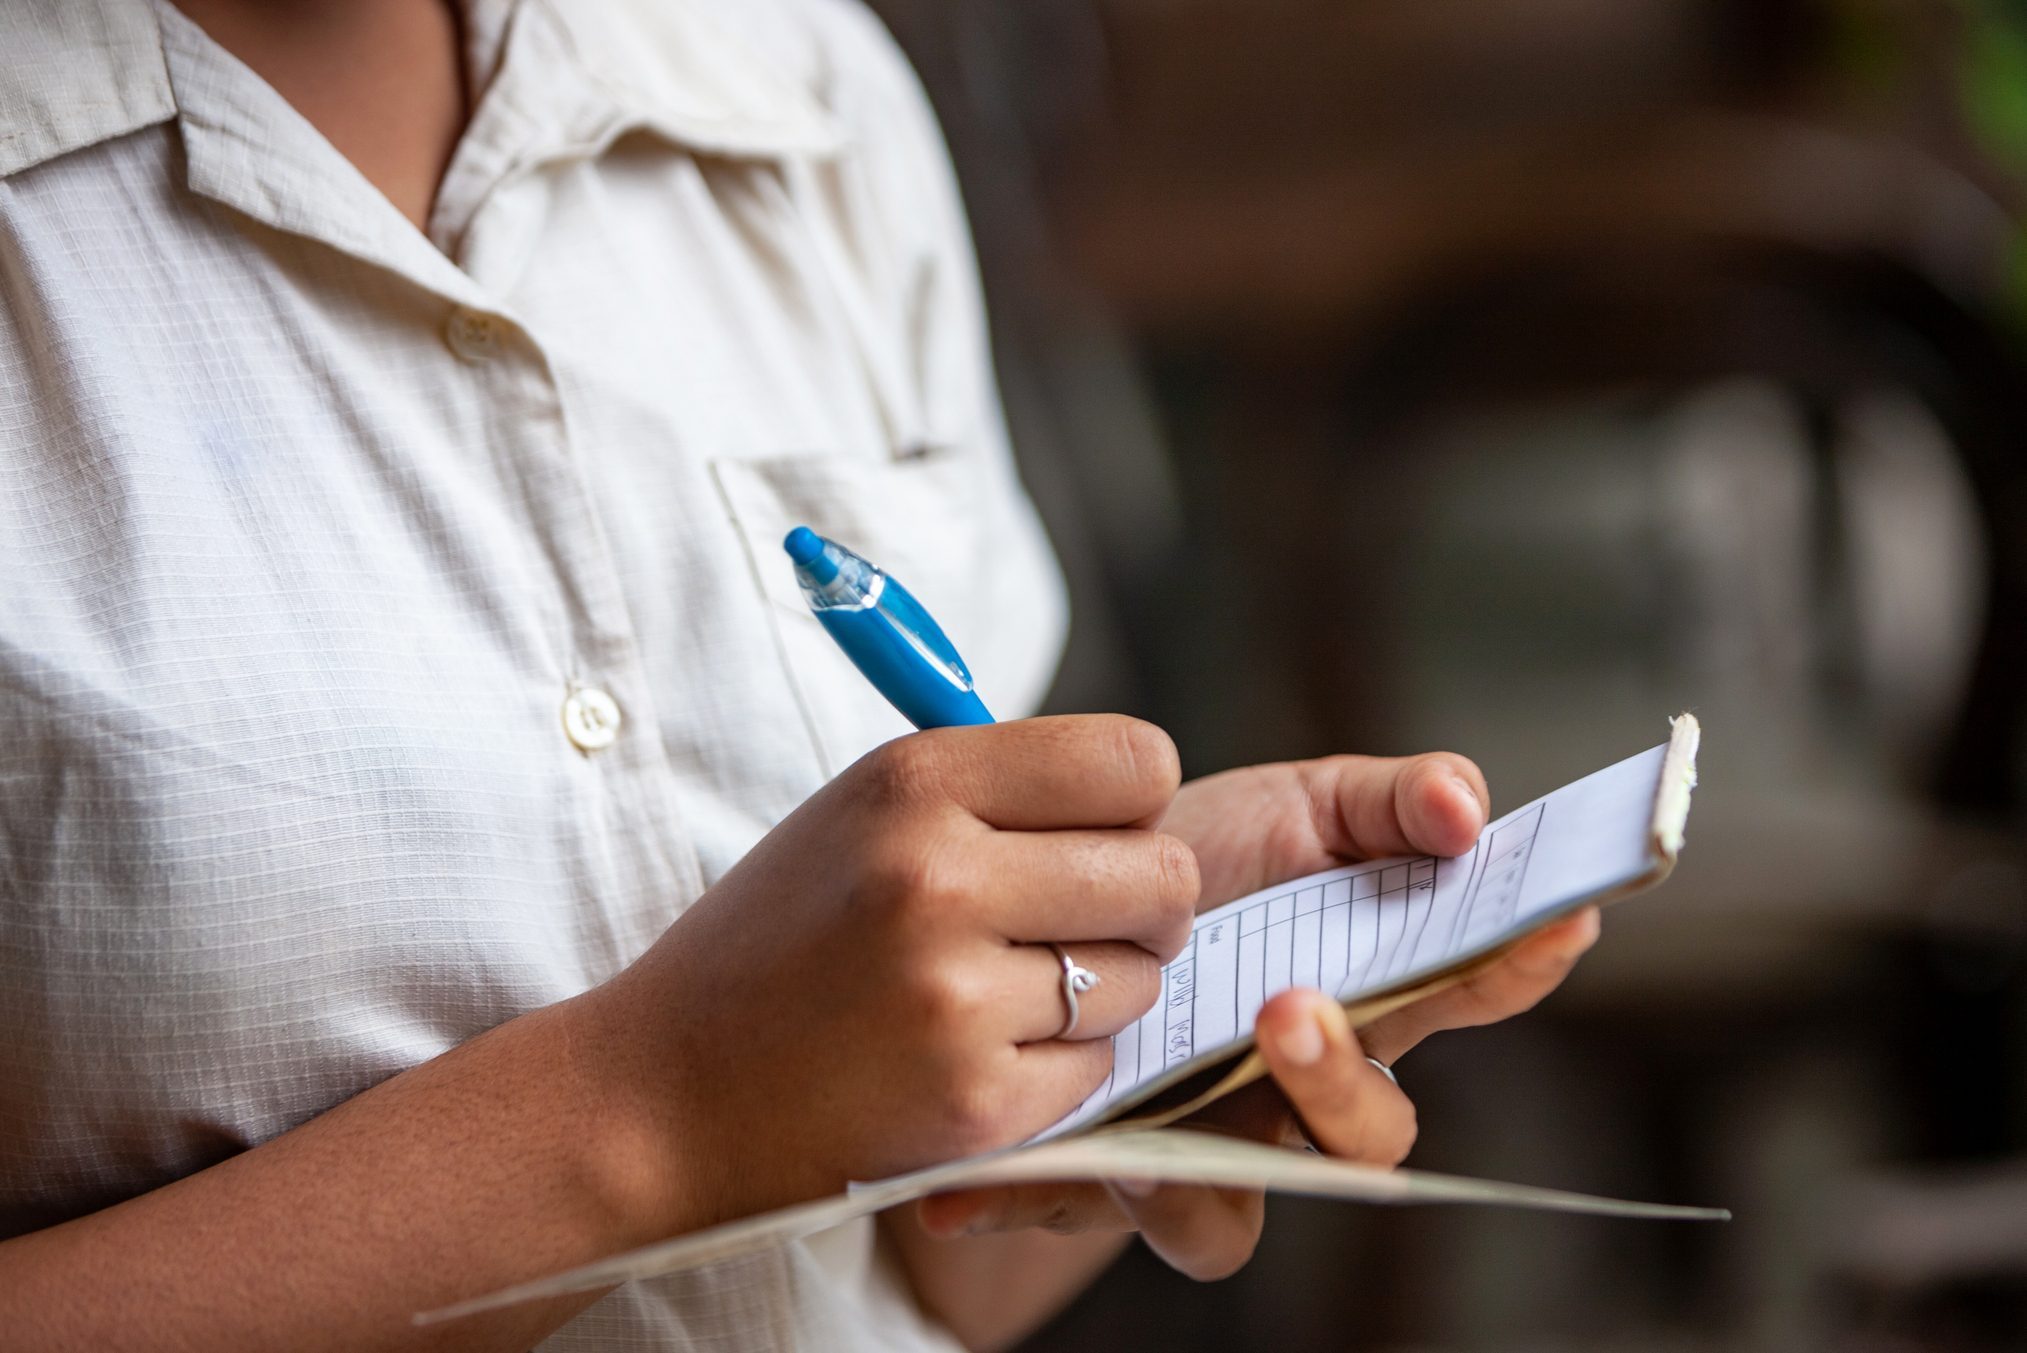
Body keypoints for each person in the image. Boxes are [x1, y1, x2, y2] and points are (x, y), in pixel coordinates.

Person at [0, 1, 1601, 1349]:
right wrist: (669, 1106)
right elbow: (729, 1114)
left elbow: (911, 1273)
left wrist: (1135, 994)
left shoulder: (800, 82)